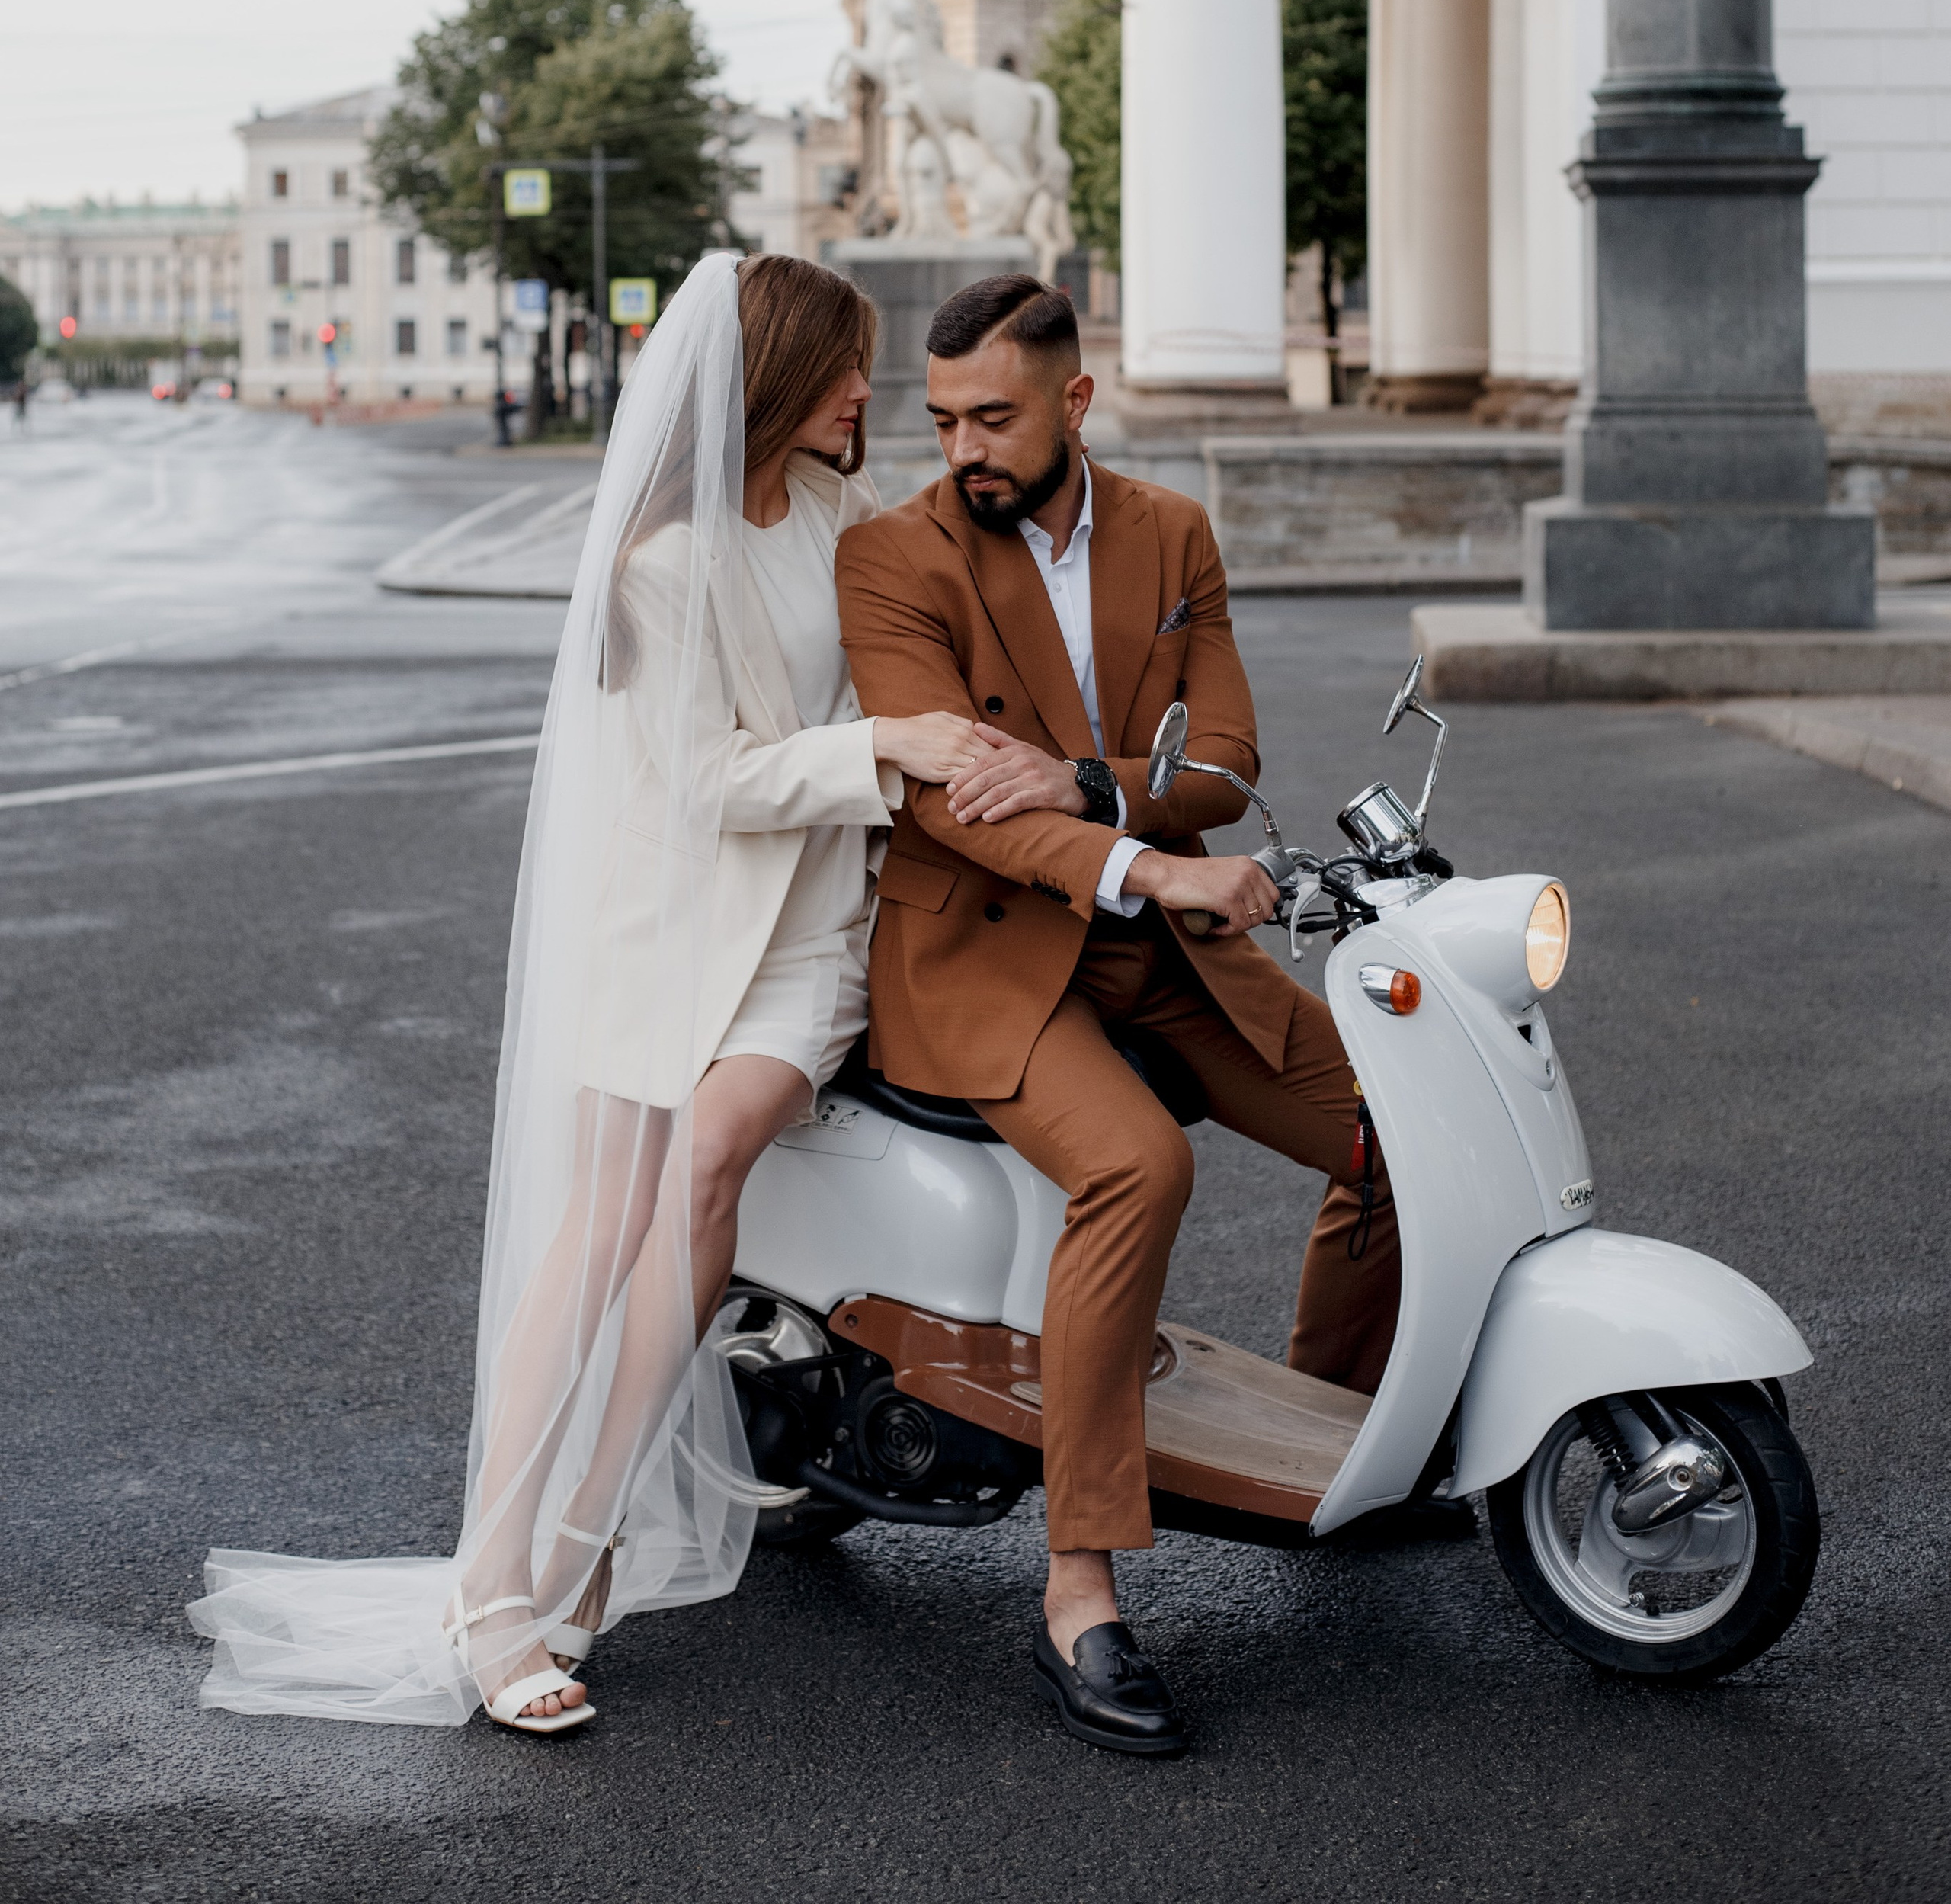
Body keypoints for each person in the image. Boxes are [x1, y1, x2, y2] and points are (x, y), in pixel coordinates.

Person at [191, 252, 978, 1732]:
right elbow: (708, 782)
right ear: (774, 377)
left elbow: (899, 663)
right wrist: (894, 751)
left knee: (705, 1166)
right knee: (599, 1222)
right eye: (842, 369)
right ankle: (500, 1584)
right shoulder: (657, 559)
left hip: (803, 941)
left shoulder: (832, 512)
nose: (862, 396)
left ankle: (588, 1529)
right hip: (669, 924)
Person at [835, 271, 1406, 1758]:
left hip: (1166, 946)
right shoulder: (891, 559)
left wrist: (1098, 791)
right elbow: (962, 809)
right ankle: (1076, 1588)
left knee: (1394, 1135)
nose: (962, 445)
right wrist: (1144, 857)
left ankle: (1338, 1445)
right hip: (986, 957)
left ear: (1073, 403)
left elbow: (1222, 762)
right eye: (941, 416)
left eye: (993, 416)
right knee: (1138, 1166)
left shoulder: (1170, 532)